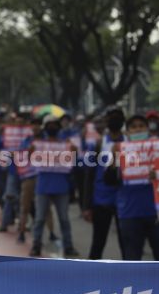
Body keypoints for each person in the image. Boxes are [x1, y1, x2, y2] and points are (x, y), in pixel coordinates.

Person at [104, 115, 159, 260]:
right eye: (133, 127)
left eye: (141, 126)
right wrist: (114, 160)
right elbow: (109, 181)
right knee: (132, 258)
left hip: (155, 212)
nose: (138, 129)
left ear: (148, 129)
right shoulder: (119, 150)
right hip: (130, 213)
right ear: (127, 132)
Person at [29, 114, 79, 258]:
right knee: (39, 219)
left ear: (58, 127)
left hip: (61, 186)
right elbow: (29, 158)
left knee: (64, 219)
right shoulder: (38, 144)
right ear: (45, 128)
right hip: (43, 186)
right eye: (49, 124)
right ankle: (36, 245)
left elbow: (74, 161)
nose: (52, 127)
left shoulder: (66, 144)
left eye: (55, 124)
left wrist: (73, 150)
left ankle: (68, 247)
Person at [82, 108, 125, 259]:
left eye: (118, 117)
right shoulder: (98, 145)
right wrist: (87, 206)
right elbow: (89, 176)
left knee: (127, 245)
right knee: (98, 243)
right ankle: (91, 275)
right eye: (111, 117)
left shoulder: (130, 144)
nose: (114, 120)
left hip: (124, 202)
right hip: (101, 201)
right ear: (106, 121)